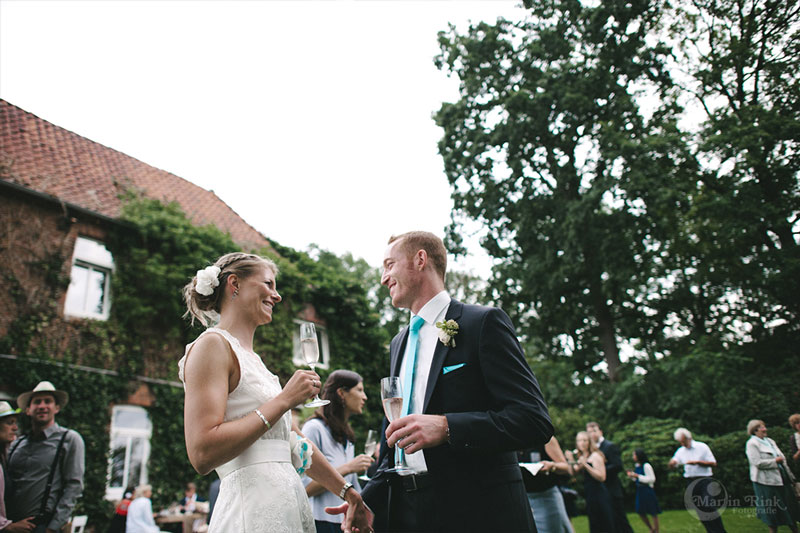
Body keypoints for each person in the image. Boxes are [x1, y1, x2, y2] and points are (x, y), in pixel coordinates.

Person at [334, 231, 553, 532]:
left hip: (478, 512)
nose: (384, 278)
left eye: (389, 265)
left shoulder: (482, 323)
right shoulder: (399, 342)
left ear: (420, 260)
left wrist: (447, 427)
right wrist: (367, 500)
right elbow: (393, 438)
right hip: (407, 513)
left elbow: (533, 420)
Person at [179, 252, 372, 533]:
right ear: (235, 284)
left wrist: (348, 493)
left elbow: (296, 443)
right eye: (268, 284)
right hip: (250, 513)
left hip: (289, 509)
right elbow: (201, 453)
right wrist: (284, 400)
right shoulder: (212, 345)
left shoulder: (256, 362)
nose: (277, 296)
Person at [6, 381, 85, 533]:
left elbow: (74, 486)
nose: (42, 406)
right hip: (12, 526)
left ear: (57, 408)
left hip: (41, 526)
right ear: (28, 410)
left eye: (48, 401)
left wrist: (52, 528)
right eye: (37, 402)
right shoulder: (18, 443)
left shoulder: (69, 439)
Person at [302, 370, 374, 533]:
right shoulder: (314, 429)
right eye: (360, 390)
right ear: (342, 393)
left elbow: (353, 486)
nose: (365, 397)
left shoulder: (347, 436)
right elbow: (304, 489)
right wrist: (349, 467)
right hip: (321, 522)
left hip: (346, 523)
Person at [668, 427, 727, 533]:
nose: (682, 444)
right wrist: (672, 463)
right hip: (691, 481)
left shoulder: (702, 447)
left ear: (688, 438)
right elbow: (673, 462)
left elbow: (713, 463)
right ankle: (711, 531)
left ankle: (720, 530)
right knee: (699, 509)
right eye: (680, 442)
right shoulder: (681, 451)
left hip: (704, 480)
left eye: (683, 441)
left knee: (708, 505)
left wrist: (697, 462)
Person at [745, 419, 800, 533]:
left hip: (781, 478)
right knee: (771, 510)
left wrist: (790, 476)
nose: (765, 429)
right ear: (755, 431)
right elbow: (757, 463)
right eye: (762, 427)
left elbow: (782, 458)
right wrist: (775, 461)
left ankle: (795, 530)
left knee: (789, 507)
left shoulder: (770, 441)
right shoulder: (752, 444)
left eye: (764, 427)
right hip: (765, 482)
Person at [519, 436, 574, 533]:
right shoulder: (515, 440)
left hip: (547, 498)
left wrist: (552, 466)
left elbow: (566, 468)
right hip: (526, 500)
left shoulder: (546, 439)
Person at [586, 422, 633, 533]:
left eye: (594, 431)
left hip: (612, 489)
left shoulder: (609, 446)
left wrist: (600, 469)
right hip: (599, 491)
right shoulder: (591, 450)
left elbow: (617, 465)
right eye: (589, 432)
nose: (592, 434)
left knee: (621, 520)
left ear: (600, 431)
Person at [567, 431, 615, 533]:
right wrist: (570, 460)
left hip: (599, 493)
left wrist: (586, 465)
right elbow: (573, 473)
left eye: (585, 440)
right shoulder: (583, 457)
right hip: (590, 494)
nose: (582, 443)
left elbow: (602, 477)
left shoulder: (595, 456)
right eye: (579, 440)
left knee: (604, 523)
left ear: (589, 442)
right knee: (594, 524)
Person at [1, 401, 35, 533]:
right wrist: (7, 526)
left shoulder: (6, 455)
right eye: (9, 423)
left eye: (15, 422)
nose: (15, 428)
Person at [626, 449, 661, 533]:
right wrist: (632, 477)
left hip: (647, 490)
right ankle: (651, 528)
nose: (633, 457)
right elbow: (638, 479)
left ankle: (656, 530)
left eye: (634, 455)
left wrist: (638, 476)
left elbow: (652, 479)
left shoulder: (646, 466)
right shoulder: (637, 466)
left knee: (653, 511)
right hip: (640, 490)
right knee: (640, 511)